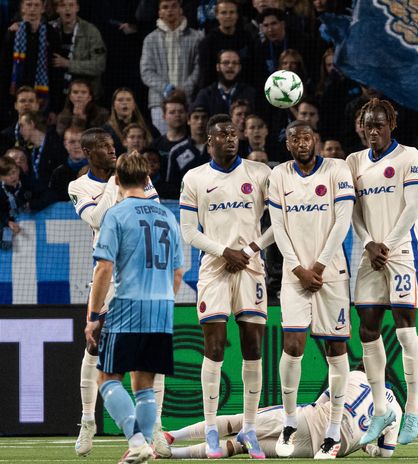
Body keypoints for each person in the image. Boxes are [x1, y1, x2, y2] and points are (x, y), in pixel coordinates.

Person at [179, 113, 274, 459]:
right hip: (214, 269)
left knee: (253, 346)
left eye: (234, 134)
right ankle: (209, 429)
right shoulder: (195, 178)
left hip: (251, 268)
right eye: (223, 134)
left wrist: (248, 250)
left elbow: (277, 223)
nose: (231, 139)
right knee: (214, 347)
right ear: (209, 141)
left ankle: (249, 428)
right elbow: (189, 232)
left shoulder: (260, 173)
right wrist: (225, 251)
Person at [68, 128, 166, 458]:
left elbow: (147, 213)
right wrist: (118, 184)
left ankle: (154, 429)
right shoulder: (79, 186)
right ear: (87, 152)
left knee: (149, 355)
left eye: (114, 146)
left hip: (139, 272)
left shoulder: (137, 178)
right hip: (108, 270)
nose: (113, 151)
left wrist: (123, 183)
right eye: (105, 147)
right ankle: (87, 422)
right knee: (93, 348)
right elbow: (96, 217)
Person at [83, 151, 183, 464]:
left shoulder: (116, 214)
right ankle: (145, 445)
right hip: (163, 308)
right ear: (146, 179)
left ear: (116, 180)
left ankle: (137, 441)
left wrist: (93, 316)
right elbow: (179, 271)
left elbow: (103, 269)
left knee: (107, 379)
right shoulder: (167, 215)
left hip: (128, 306)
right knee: (145, 386)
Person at [266, 120, 355, 458]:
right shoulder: (279, 176)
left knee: (335, 350)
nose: (301, 143)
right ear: (287, 144)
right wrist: (298, 269)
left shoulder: (337, 169)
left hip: (332, 273)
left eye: (306, 137)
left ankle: (332, 431)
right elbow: (278, 227)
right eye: (294, 138)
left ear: (315, 140)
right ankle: (289, 423)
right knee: (293, 344)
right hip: (294, 274)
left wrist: (318, 266)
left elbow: (342, 221)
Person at [346, 97, 418, 446]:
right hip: (368, 253)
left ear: (391, 125)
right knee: (367, 330)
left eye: (379, 124)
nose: (373, 130)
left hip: (402, 252)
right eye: (368, 125)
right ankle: (381, 409)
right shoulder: (354, 162)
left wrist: (387, 245)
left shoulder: (409, 156)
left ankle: (413, 406)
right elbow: (353, 211)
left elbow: (414, 208)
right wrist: (367, 243)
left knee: (405, 329)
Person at [164, 369, 403, 459]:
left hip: (309, 421)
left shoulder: (356, 375)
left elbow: (321, 402)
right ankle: (173, 455)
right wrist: (366, 446)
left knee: (241, 422)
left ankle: (172, 436)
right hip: (322, 450)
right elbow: (385, 454)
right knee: (242, 447)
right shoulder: (397, 411)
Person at [140, 0, 202, 134]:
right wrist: (166, 89)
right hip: (159, 102)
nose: (170, 10)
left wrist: (184, 90)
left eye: (174, 6)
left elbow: (199, 68)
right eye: (165, 7)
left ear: (181, 9)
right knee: (164, 143)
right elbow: (146, 72)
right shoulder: (150, 39)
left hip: (189, 101)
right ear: (159, 13)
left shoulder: (196, 37)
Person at [49, 0, 106, 100]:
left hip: (85, 96)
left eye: (71, 5)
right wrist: (18, 25)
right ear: (57, 9)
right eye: (63, 5)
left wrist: (68, 64)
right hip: (54, 94)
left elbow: (99, 65)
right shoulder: (48, 29)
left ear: (77, 8)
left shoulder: (91, 31)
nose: (67, 9)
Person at [192, 49, 257, 117]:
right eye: (226, 63)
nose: (230, 66)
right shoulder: (205, 95)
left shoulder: (250, 94)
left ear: (239, 68)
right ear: (218, 67)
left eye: (234, 63)